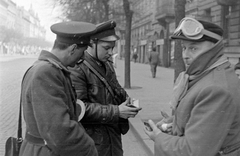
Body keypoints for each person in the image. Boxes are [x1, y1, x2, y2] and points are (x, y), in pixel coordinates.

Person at [144, 17, 240, 156]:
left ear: (214, 48)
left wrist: (158, 137)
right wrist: (174, 122)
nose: (185, 55)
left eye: (193, 48)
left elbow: (193, 151)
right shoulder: (207, 74)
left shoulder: (215, 89)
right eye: (184, 48)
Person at [19, 21, 98, 156]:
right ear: (73, 49)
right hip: (46, 151)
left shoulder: (46, 68)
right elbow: (59, 130)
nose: (83, 57)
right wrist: (89, 148)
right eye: (82, 52)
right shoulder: (47, 72)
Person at [69, 20, 142, 156]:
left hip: (112, 138)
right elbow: (79, 108)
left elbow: (115, 87)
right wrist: (117, 111)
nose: (111, 52)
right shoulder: (78, 68)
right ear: (92, 43)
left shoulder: (107, 63)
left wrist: (127, 101)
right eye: (106, 48)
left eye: (112, 48)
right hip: (92, 142)